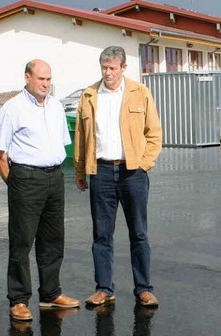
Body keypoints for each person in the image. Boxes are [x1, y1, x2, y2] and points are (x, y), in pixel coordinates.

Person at [74, 46, 162, 308]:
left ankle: (144, 289)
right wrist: (81, 170)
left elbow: (154, 133)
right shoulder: (90, 95)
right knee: (102, 234)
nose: (108, 72)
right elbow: (80, 135)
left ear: (123, 68)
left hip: (132, 172)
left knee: (139, 233)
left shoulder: (139, 93)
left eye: (112, 68)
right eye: (104, 67)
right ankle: (103, 289)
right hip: (100, 172)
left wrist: (143, 164)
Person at [0, 59, 80, 322]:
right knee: (22, 242)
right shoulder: (12, 108)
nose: (45, 84)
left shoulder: (54, 106)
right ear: (27, 78)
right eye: (41, 78)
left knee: (53, 240)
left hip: (54, 177)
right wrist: (17, 184)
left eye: (48, 79)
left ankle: (51, 294)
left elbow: (62, 143)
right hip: (26, 178)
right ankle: (18, 300)